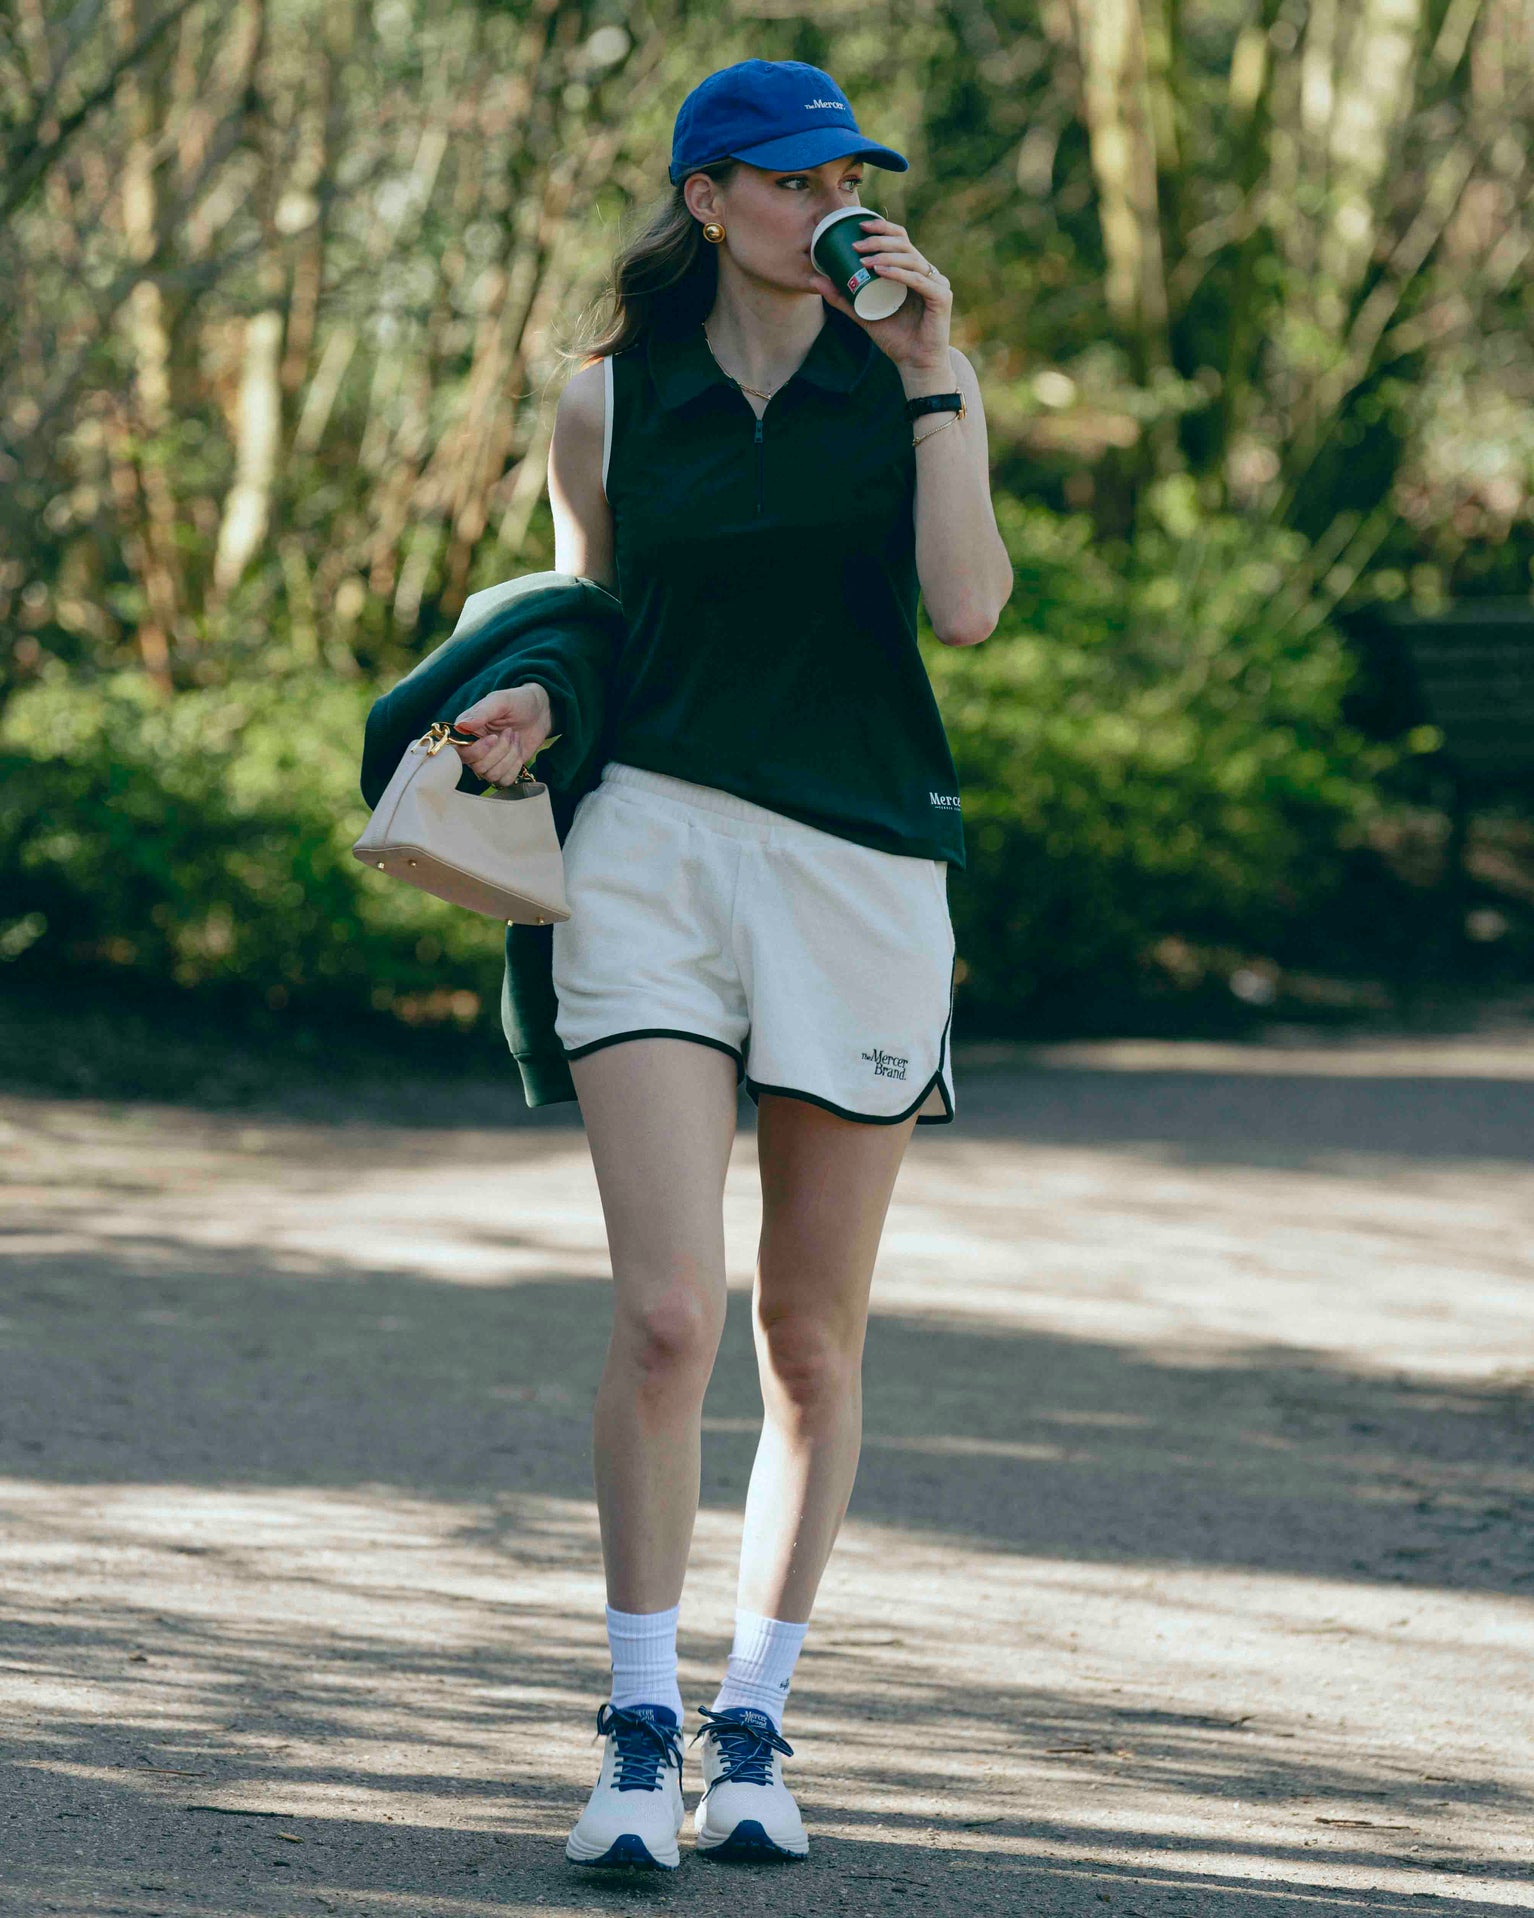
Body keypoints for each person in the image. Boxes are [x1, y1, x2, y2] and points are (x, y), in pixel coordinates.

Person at [451, 58, 1013, 1870]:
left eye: (847, 175)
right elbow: (591, 617)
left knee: (808, 1339)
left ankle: (753, 1721)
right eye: (787, 179)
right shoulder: (602, 398)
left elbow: (968, 607)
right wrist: (538, 695)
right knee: (668, 1312)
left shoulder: (914, 378)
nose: (825, 204)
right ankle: (630, 1729)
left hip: (861, 867)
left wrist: (932, 379)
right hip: (654, 858)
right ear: (705, 197)